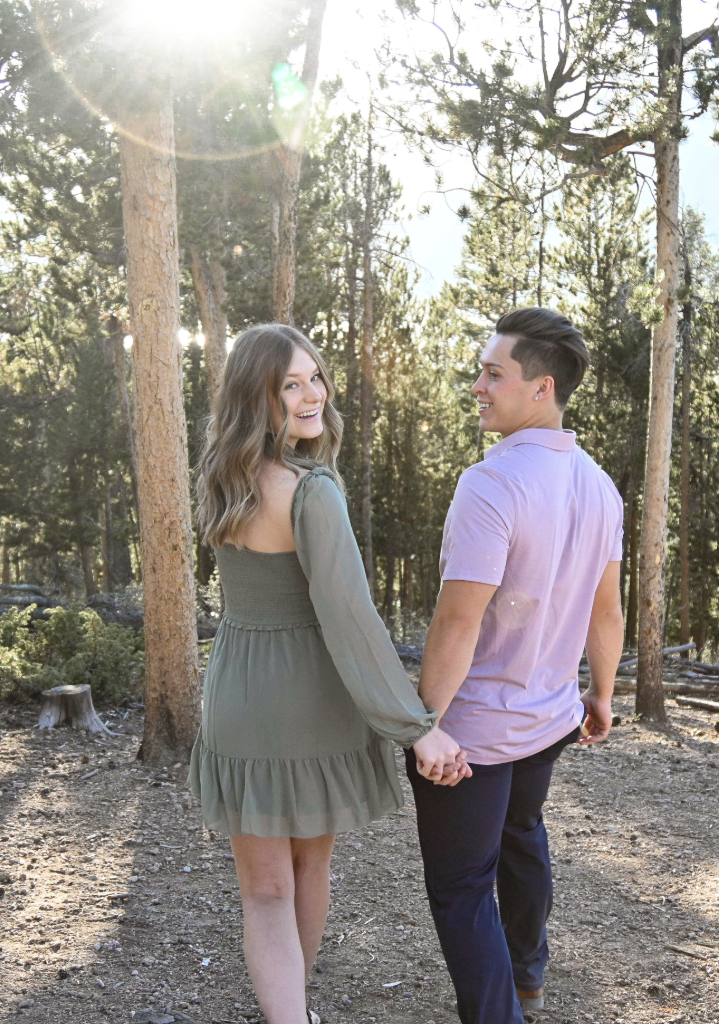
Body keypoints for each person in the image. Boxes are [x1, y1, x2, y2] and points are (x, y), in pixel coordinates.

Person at [187, 323, 469, 1024]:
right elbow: (350, 620)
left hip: (238, 694)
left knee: (263, 892)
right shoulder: (312, 493)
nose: (312, 394)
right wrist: (416, 727)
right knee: (309, 870)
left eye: (315, 377)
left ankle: (291, 1017)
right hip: (310, 697)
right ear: (261, 396)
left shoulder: (224, 478)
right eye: (291, 383)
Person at [410, 308, 626, 1024]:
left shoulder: (491, 483)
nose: (478, 385)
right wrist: (599, 694)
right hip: (550, 716)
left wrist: (423, 723)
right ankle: (527, 978)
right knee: (522, 833)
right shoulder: (599, 485)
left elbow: (458, 620)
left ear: (543, 387)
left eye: (493, 373)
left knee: (463, 885)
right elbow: (607, 612)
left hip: (473, 731)